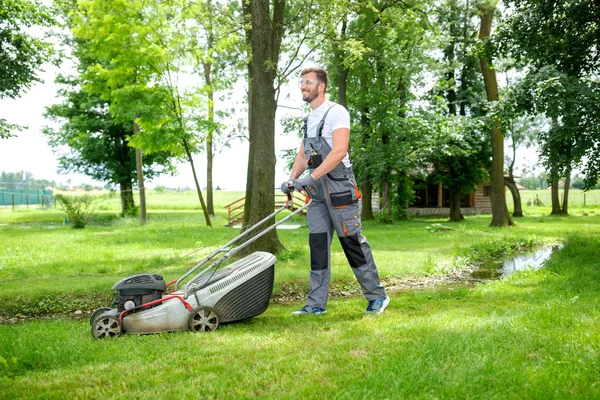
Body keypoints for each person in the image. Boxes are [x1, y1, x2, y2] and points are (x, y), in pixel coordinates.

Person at [281, 66, 390, 315]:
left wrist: (311, 177)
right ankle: (316, 304)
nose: (302, 86)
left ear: (321, 86)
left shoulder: (336, 112)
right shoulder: (309, 118)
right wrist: (292, 178)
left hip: (339, 186)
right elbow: (303, 153)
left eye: (307, 81)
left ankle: (377, 297)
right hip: (317, 192)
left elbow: (339, 151)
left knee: (352, 242)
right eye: (301, 82)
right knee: (318, 246)